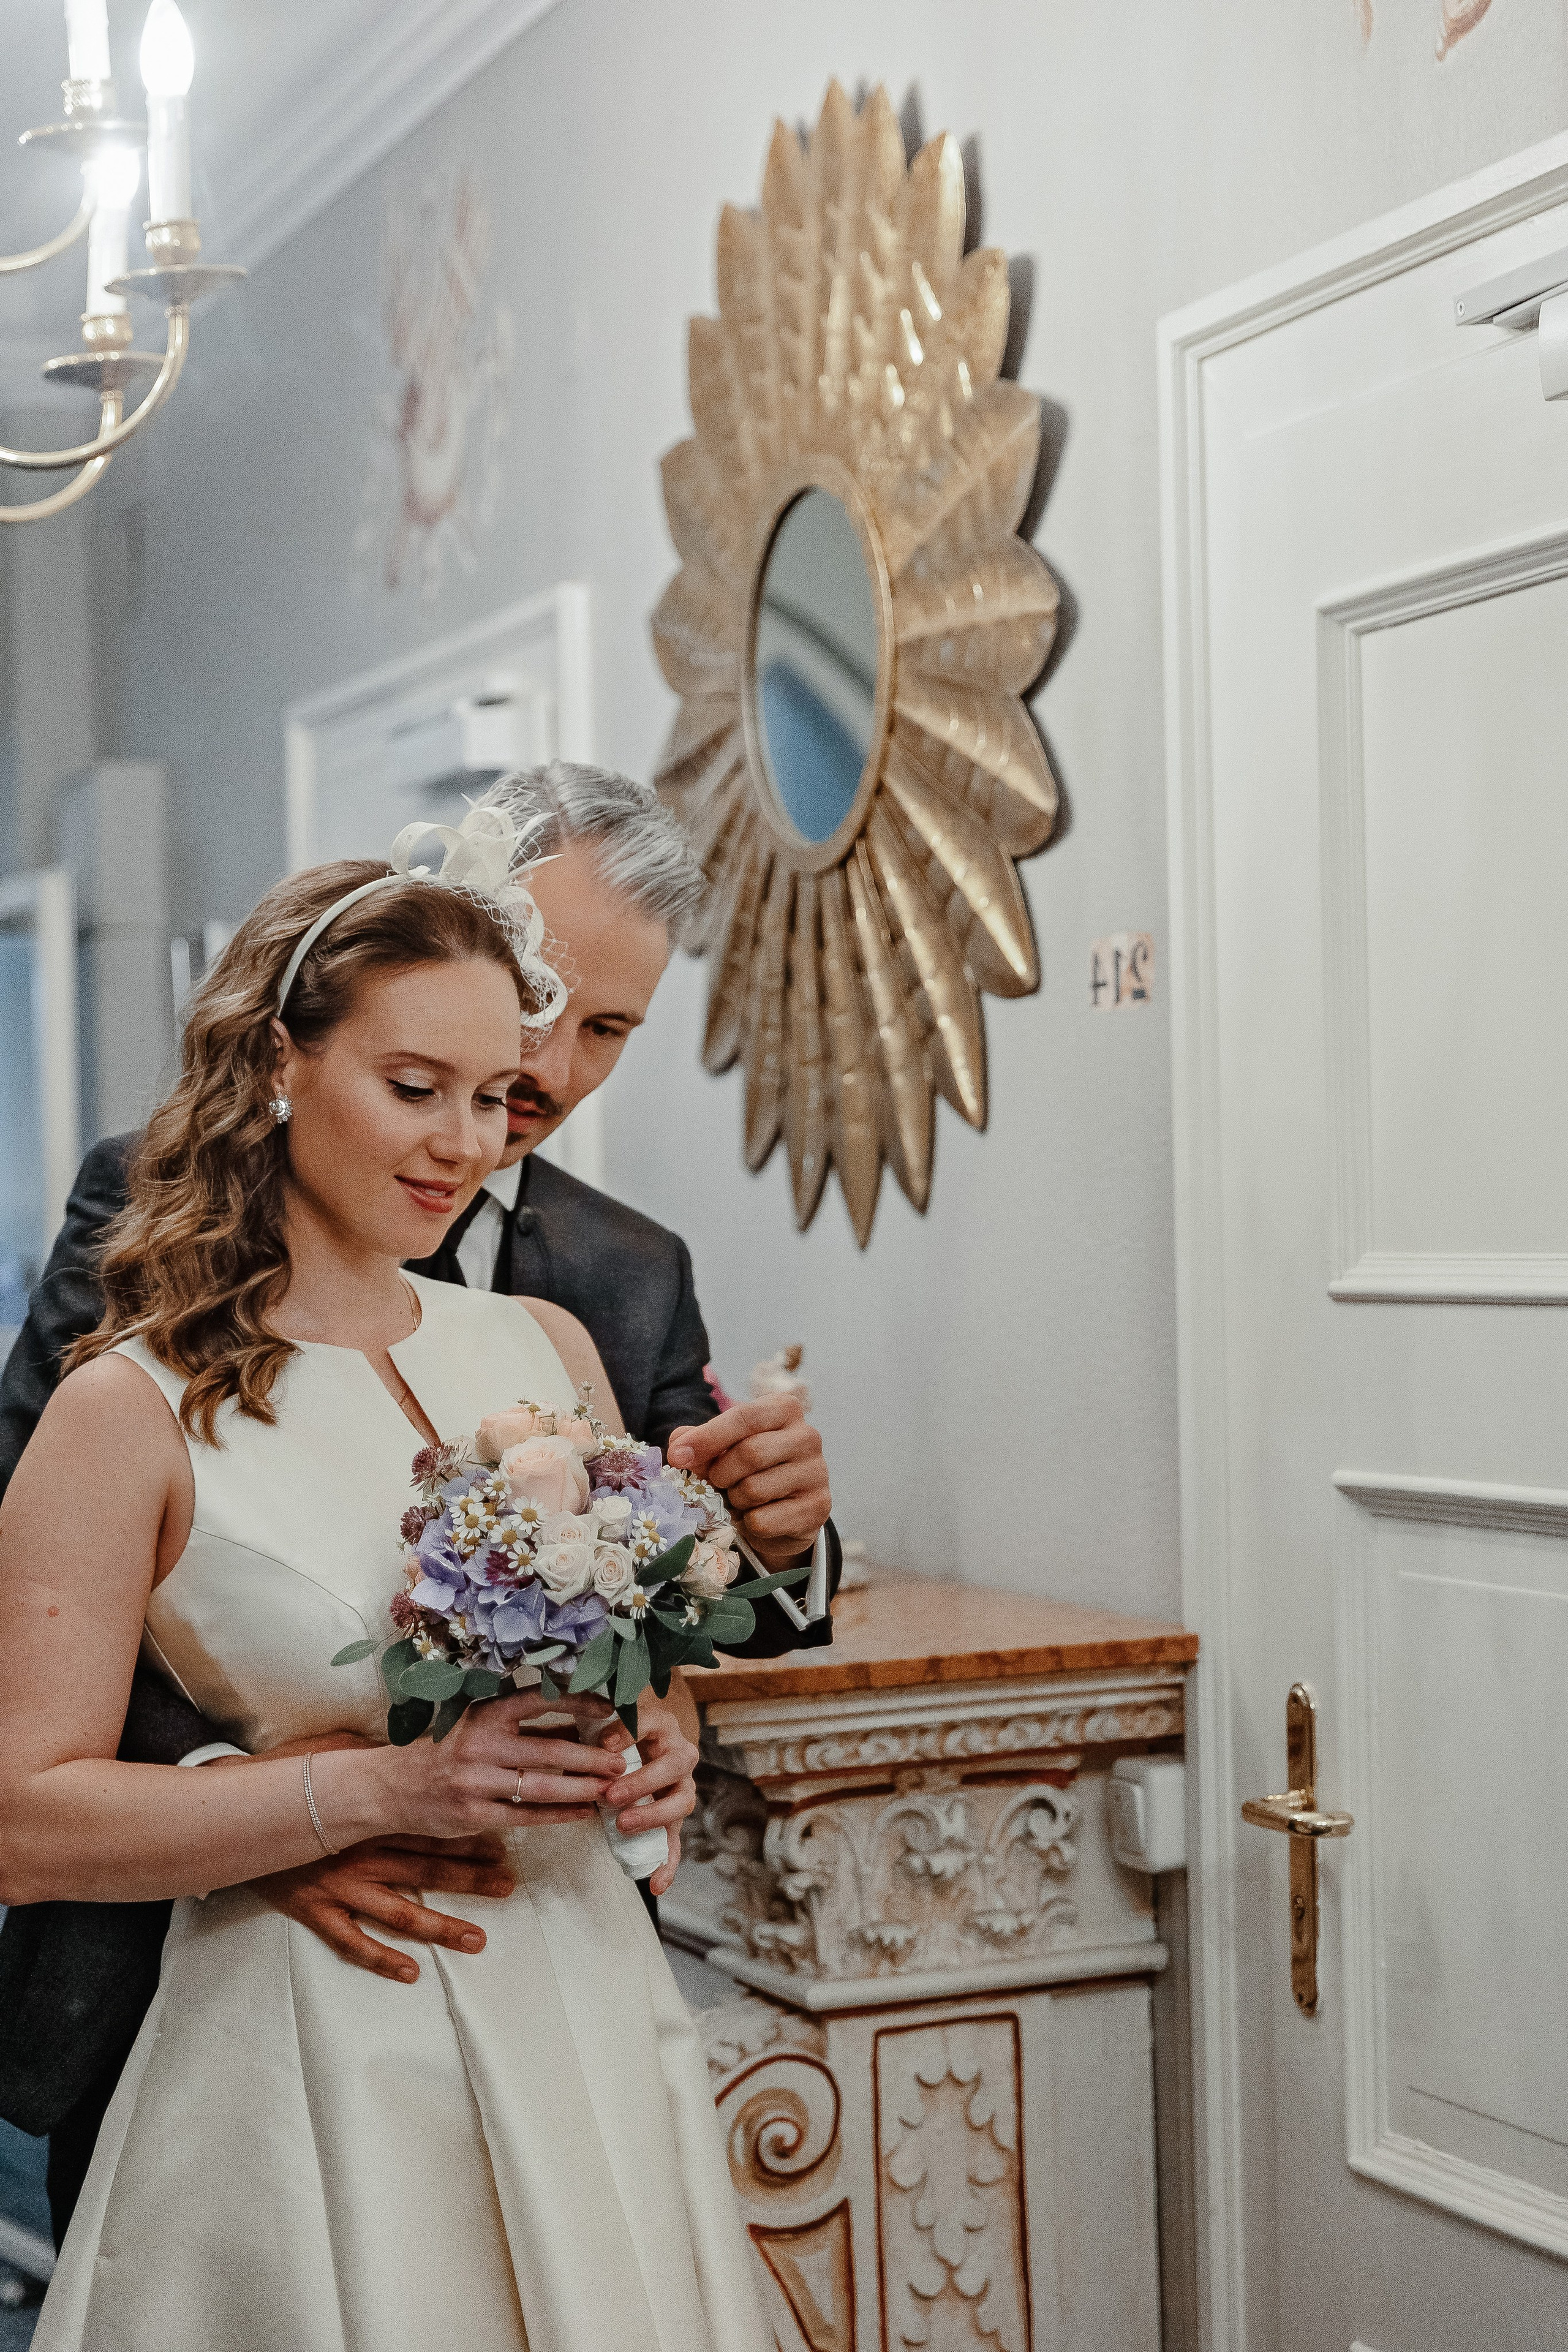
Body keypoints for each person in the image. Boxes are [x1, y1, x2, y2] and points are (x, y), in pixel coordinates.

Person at [0, 763, 839, 2246]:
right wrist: (280, 1814)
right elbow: (51, 1606)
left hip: (560, 1981)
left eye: (602, 1033)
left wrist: (717, 1631)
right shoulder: (135, 1284)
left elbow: (654, 1600)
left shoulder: (599, 1296)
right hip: (225, 1990)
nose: (536, 1080)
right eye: (532, 1004)